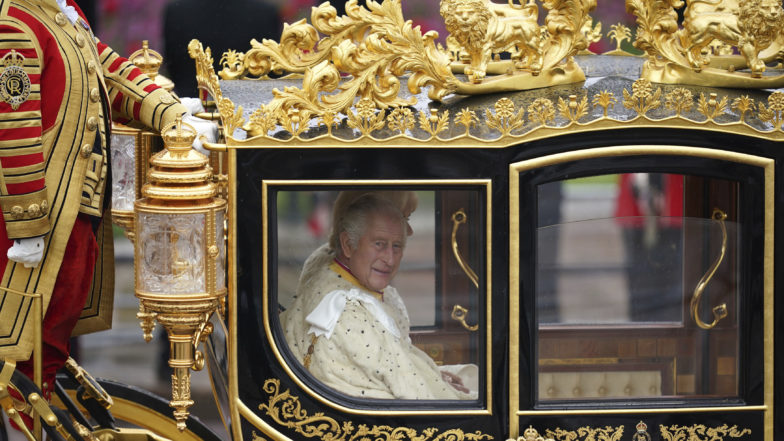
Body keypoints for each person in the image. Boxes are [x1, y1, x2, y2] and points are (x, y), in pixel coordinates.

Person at [0, 0, 212, 406]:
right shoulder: (17, 22)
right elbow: (17, 130)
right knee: (27, 348)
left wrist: (171, 114)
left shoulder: (63, 12)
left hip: (75, 210)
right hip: (41, 219)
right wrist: (27, 226)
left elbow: (113, 74)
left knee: (53, 334)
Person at [281, 193, 475, 400]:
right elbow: (417, 398)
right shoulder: (351, 314)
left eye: (397, 246)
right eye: (379, 244)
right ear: (347, 243)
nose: (390, 259)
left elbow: (394, 361)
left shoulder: (328, 265)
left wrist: (433, 374)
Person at [163, 0, 282, 97]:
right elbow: (274, 71)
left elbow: (173, 65)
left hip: (194, 113)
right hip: (248, 115)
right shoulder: (265, 13)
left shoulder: (177, 11)